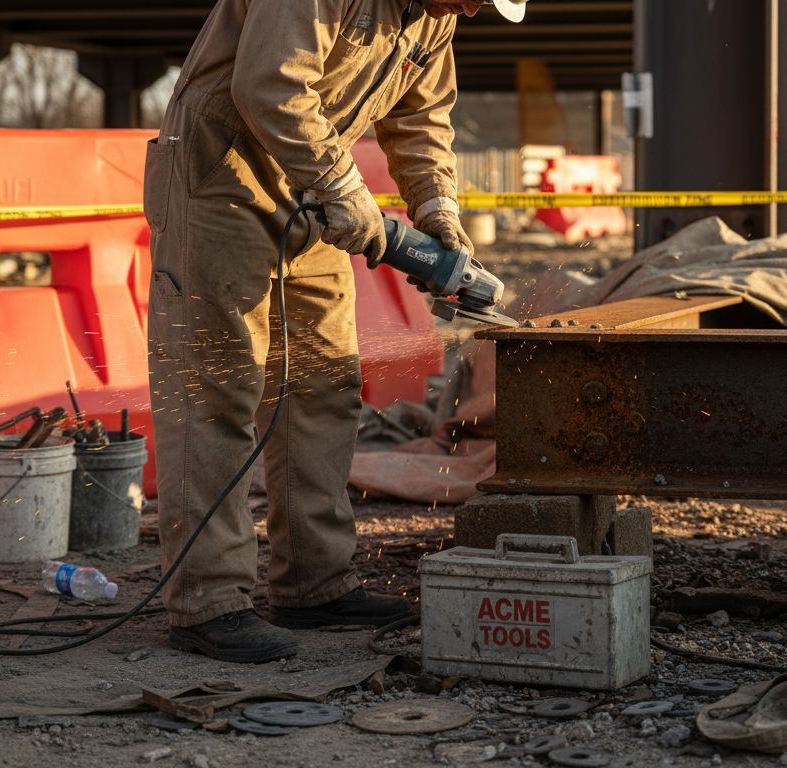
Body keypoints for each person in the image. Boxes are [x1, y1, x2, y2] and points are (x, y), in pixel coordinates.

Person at [142, 0, 528, 663]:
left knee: (321, 388)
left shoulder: (436, 16)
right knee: (217, 390)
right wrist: (345, 190)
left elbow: (422, 118)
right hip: (219, 177)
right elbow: (270, 83)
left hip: (311, 191)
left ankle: (314, 583)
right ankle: (208, 601)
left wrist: (438, 214)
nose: (472, 8)